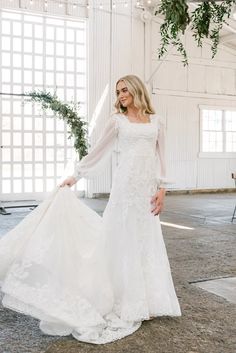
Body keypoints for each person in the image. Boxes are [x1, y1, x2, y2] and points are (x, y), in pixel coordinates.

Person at [0, 75, 181, 345]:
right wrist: (76, 175)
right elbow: (98, 151)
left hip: (145, 191)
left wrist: (162, 189)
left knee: (145, 241)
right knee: (122, 240)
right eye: (118, 91)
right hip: (124, 189)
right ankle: (124, 299)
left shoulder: (157, 122)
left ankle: (148, 301)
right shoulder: (117, 121)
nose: (120, 95)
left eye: (125, 90)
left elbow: (162, 158)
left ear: (136, 90)